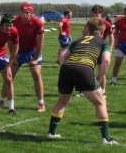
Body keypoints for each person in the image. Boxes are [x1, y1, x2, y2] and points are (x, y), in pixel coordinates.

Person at [47, 17, 117, 145]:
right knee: (100, 102)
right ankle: (106, 139)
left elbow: (63, 56)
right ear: (102, 32)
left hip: (67, 69)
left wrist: (64, 69)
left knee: (62, 101)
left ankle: (51, 133)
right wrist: (99, 79)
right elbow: (106, 60)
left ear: (88, 30)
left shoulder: (77, 40)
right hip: (84, 69)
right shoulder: (102, 42)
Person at [0, 2, 46, 112]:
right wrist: (13, 57)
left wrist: (35, 58)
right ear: (19, 12)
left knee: (36, 75)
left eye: (27, 12)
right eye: (22, 12)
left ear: (31, 13)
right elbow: (10, 40)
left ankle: (41, 103)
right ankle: (1, 100)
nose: (25, 15)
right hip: (19, 51)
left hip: (33, 50)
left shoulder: (37, 23)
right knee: (8, 76)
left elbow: (40, 42)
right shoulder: (14, 22)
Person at [77, 5, 113, 97]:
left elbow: (111, 37)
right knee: (87, 69)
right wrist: (89, 23)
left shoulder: (106, 23)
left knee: (102, 70)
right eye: (94, 12)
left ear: (101, 13)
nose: (96, 14)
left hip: (100, 49)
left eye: (98, 13)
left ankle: (102, 91)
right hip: (90, 48)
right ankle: (83, 90)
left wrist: (110, 50)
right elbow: (84, 33)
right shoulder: (90, 22)